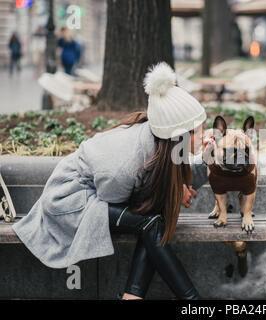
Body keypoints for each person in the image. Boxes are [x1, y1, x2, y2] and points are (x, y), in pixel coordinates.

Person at [12, 62, 213, 300]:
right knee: (152, 223)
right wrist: (175, 192)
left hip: (97, 192)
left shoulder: (162, 145)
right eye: (196, 131)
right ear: (177, 135)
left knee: (155, 220)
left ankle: (134, 298)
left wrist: (211, 159)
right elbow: (121, 203)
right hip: (71, 200)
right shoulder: (124, 166)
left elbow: (174, 177)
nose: (203, 134)